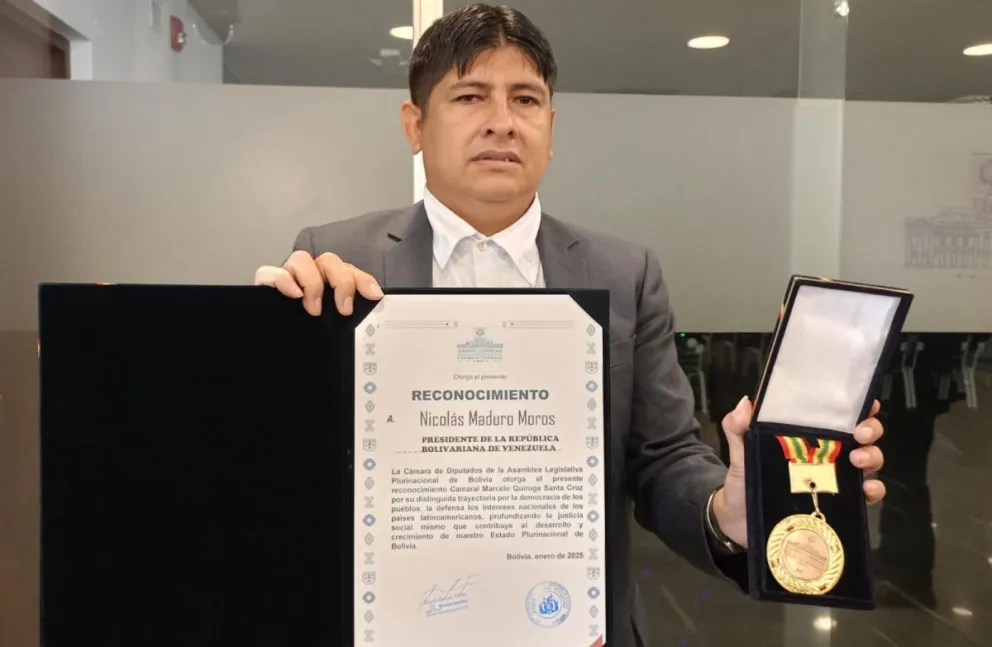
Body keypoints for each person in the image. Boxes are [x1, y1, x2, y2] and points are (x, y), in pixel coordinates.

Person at [255, 4, 886, 645]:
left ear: (550, 128)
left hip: (569, 624)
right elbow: (284, 468)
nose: (502, 122)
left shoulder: (624, 272)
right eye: (470, 96)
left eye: (525, 99)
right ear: (415, 125)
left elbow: (663, 457)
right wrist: (261, 339)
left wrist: (728, 509)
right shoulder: (339, 261)